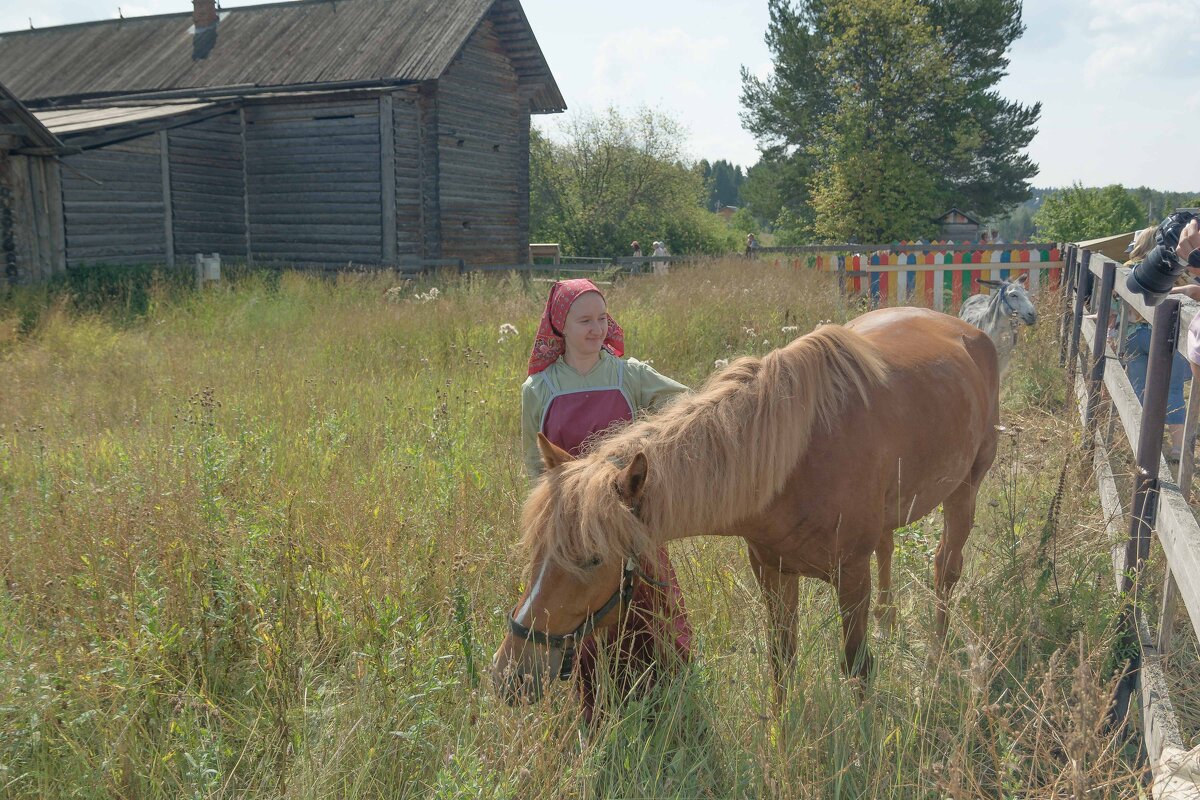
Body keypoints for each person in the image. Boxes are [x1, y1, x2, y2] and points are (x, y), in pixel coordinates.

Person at [521, 278, 692, 720]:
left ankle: (668, 707)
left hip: (626, 519)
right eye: (585, 320)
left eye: (602, 318)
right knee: (579, 620)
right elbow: (534, 465)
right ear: (561, 325)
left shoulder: (628, 373)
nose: (597, 329)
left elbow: (689, 404)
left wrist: (648, 451)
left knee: (653, 615)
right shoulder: (540, 388)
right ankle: (597, 708)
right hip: (577, 530)